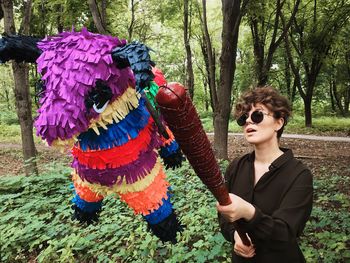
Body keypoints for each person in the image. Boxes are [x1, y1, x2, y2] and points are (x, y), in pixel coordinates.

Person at [216, 86, 313, 262]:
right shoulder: (236, 167)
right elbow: (224, 218)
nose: (248, 122)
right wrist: (235, 235)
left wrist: (250, 213)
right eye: (244, 118)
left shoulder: (300, 175)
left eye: (257, 115)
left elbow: (286, 233)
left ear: (279, 122)